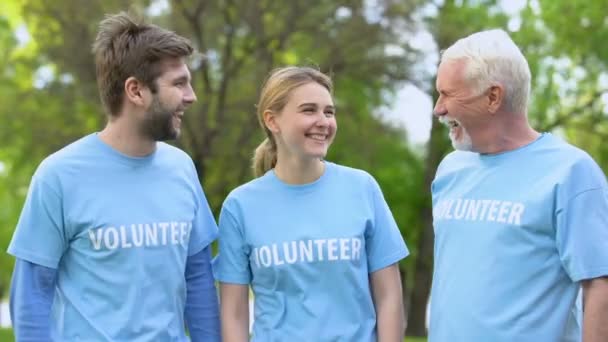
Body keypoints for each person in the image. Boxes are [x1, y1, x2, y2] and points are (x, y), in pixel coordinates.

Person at [7, 12, 220, 341]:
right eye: (178, 83)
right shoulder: (59, 175)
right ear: (136, 91)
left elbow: (198, 277)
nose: (191, 96)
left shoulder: (182, 168)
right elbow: (32, 294)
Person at [429, 29, 608, 341]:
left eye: (448, 94)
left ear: (493, 97)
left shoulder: (572, 173)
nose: (438, 108)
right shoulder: (449, 169)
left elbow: (599, 286)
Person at [213, 66, 409, 341]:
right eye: (309, 110)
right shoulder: (240, 205)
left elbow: (389, 297)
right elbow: (233, 313)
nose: (323, 121)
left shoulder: (362, 188)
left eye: (329, 112)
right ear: (272, 120)